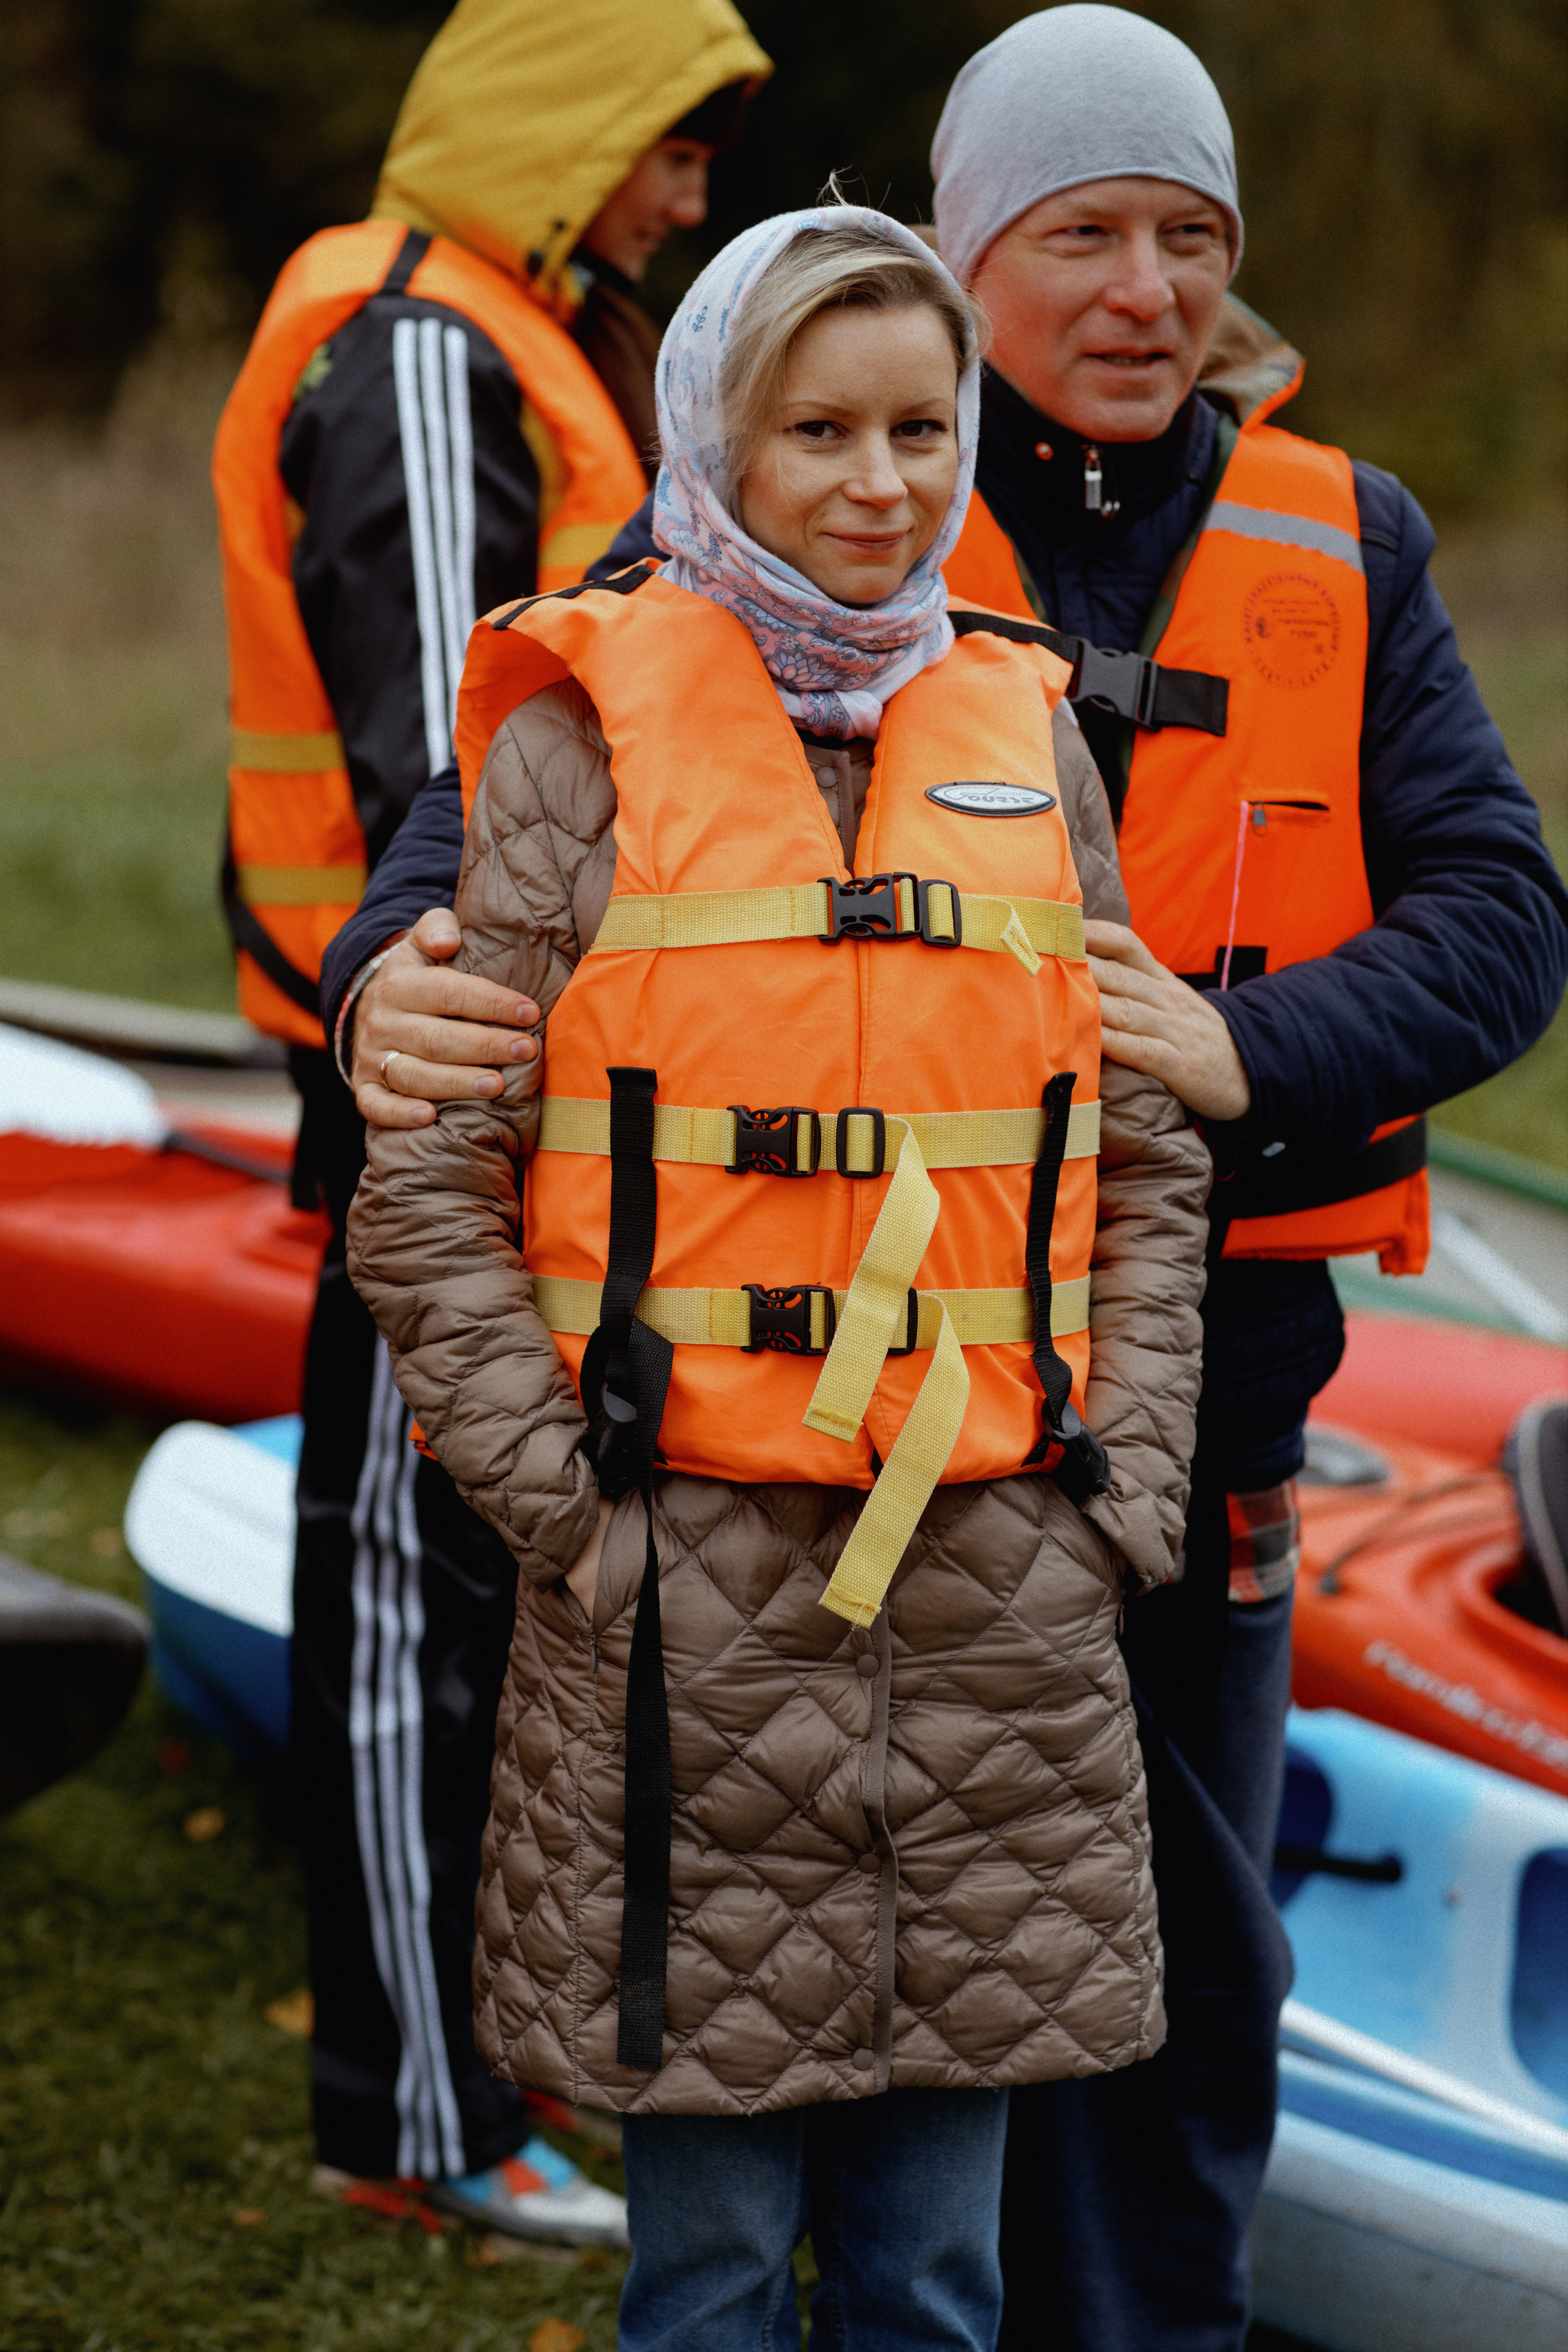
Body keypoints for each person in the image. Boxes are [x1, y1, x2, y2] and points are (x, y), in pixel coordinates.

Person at [325, 8, 1568, 2336]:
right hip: (720, 1435)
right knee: (765, 2043)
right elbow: (489, 823)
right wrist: (377, 983)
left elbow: (1510, 916)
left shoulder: (1346, 538)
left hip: (1164, 1401)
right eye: (1077, 234)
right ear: (956, 256)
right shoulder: (800, 446)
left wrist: (1247, 1049)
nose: (1141, 290)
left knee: (1179, 1962)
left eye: (1189, 238)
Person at [345, 204, 1209, 2350]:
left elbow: (1151, 1158)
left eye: (925, 425)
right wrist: (570, 1507)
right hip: (680, 1609)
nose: (881, 478)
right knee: (712, 2262)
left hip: (1006, 1591)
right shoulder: (569, 754)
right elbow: (430, 1183)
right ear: (711, 443)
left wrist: (1132, 1490)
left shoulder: (1030, 745)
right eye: (816, 428)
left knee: (934, 2269)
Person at [211, 0, 771, 2237]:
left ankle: (503, 2068)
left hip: (544, 1083)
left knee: (495, 1577)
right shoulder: (425, 353)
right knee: (395, 1578)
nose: (692, 195)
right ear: (560, 130)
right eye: (664, 146)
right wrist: (479, 1066)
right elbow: (463, 762)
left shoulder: (521, 331)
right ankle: (410, 2124)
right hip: (434, 1081)